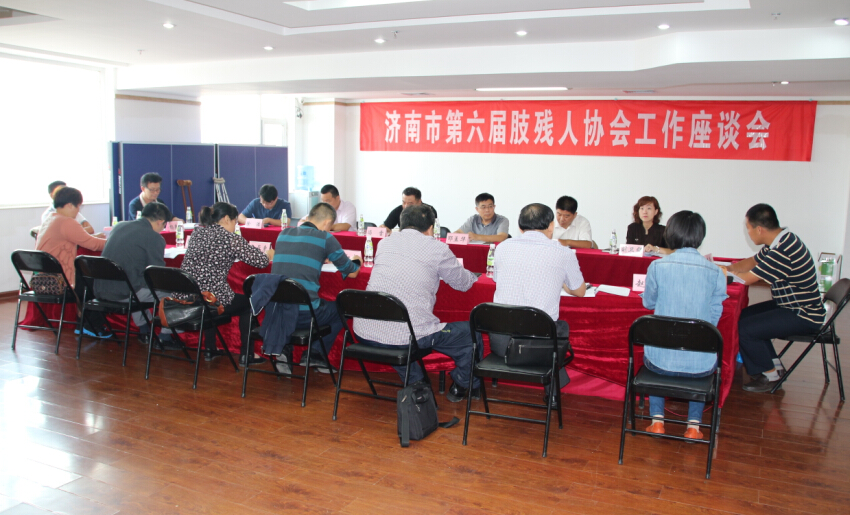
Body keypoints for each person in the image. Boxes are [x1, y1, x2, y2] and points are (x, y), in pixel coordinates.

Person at [354, 204, 480, 402]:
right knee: (471, 334)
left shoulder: (384, 243)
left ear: (401, 224)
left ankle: (417, 383)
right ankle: (463, 384)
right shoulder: (437, 248)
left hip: (364, 331)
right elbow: (463, 284)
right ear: (431, 228)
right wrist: (473, 276)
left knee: (398, 333)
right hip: (407, 337)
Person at [640, 211, 727, 440]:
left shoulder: (657, 267)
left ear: (670, 234)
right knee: (700, 352)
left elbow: (648, 303)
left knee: (656, 347)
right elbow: (715, 313)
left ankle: (657, 422)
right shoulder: (716, 272)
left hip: (659, 362)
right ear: (700, 236)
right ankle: (694, 426)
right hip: (700, 365)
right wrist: (696, 333)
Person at [724, 204, 825, 393]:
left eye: (748, 228)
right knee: (743, 317)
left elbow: (747, 278)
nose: (748, 233)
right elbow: (753, 262)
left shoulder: (783, 250)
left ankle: (771, 376)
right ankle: (775, 367)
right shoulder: (781, 240)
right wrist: (728, 268)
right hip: (790, 305)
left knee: (745, 328)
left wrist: (723, 274)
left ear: (759, 229)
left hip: (803, 314)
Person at [492, 203, 586, 404]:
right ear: (551, 225)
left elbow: (497, 279)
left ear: (520, 227)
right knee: (558, 328)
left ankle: (553, 390)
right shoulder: (563, 253)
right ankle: (553, 393)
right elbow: (580, 291)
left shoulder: (502, 248)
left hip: (501, 343)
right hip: (540, 346)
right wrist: (561, 282)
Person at [181, 202, 274, 363]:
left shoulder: (197, 233)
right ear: (226, 219)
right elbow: (260, 261)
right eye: (235, 222)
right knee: (249, 304)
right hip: (210, 299)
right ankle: (247, 354)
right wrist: (269, 254)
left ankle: (210, 349)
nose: (235, 226)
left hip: (190, 296)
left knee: (209, 295)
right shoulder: (230, 238)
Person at [272, 202, 361, 371]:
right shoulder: (325, 238)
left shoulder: (283, 233)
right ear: (327, 223)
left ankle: (285, 349)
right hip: (305, 315)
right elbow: (352, 272)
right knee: (343, 308)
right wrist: (357, 260)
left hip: (278, 312)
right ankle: (315, 353)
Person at [35, 187, 110, 337]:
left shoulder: (50, 219)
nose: (78, 211)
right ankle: (92, 325)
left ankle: (84, 324)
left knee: (87, 279)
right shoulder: (67, 222)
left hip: (45, 278)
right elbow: (93, 244)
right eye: (78, 207)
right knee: (99, 282)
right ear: (69, 205)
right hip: (62, 280)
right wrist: (113, 241)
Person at [95, 203, 173, 346]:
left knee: (135, 281)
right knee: (175, 292)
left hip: (100, 289)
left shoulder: (119, 226)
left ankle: (145, 330)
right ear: (160, 222)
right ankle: (165, 337)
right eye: (164, 225)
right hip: (125, 293)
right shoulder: (154, 237)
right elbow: (157, 274)